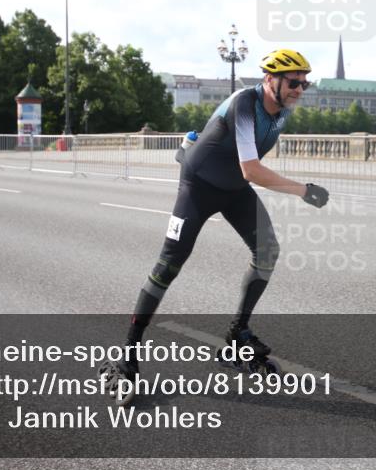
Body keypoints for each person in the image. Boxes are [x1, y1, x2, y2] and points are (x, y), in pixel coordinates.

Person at [110, 49, 330, 386]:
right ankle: (127, 354)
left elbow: (229, 146)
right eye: (293, 81)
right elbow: (251, 168)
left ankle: (237, 335)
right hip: (198, 187)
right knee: (169, 264)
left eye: (305, 82)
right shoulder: (246, 102)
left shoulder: (282, 111)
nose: (300, 89)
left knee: (268, 250)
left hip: (234, 188)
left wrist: (191, 143)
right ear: (270, 79)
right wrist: (303, 190)